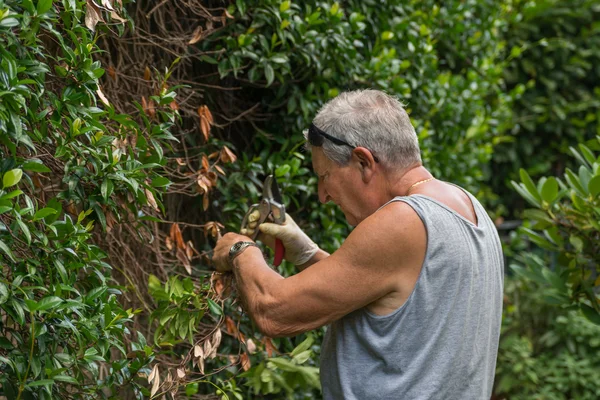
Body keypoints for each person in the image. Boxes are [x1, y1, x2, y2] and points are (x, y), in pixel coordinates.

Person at [213, 89, 504, 399]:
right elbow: (381, 295)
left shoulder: (404, 221)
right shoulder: (468, 207)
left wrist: (239, 249)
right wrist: (306, 252)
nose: (322, 195)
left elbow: (274, 310)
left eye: (324, 176)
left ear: (364, 161)